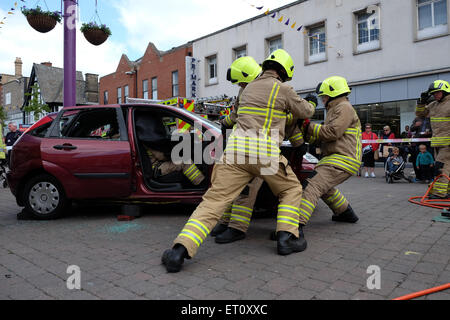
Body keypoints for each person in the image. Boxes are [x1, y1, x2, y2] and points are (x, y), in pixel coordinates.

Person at [161, 49, 316, 272]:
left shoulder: (246, 89)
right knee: (291, 189)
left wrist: (223, 123)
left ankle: (179, 251)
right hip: (264, 153)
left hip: (235, 153)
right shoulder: (284, 89)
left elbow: (232, 118)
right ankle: (286, 239)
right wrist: (309, 103)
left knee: (213, 202)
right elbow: (305, 110)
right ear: (285, 71)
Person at [212, 56, 317, 244]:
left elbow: (290, 121)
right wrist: (224, 124)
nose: (242, 86)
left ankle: (237, 227)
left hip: (261, 150)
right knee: (238, 188)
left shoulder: (272, 91)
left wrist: (299, 143)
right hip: (249, 148)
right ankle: (228, 222)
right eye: (240, 84)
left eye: (243, 82)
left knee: (248, 188)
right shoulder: (249, 91)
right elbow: (235, 115)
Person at [295, 76, 361, 236]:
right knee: (325, 187)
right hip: (337, 158)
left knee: (312, 185)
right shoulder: (335, 110)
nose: (322, 99)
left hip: (342, 159)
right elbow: (322, 135)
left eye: (323, 96)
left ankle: (293, 228)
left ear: (333, 93)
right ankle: (346, 213)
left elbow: (332, 132)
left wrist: (309, 126)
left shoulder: (344, 107)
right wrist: (307, 132)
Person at [416, 80, 450, 199]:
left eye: (437, 92)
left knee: (440, 168)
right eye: (433, 93)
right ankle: (446, 191)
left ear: (445, 91)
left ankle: (440, 193)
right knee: (446, 168)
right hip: (437, 143)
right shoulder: (433, 105)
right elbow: (420, 114)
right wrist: (421, 102)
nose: (435, 95)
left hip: (447, 144)